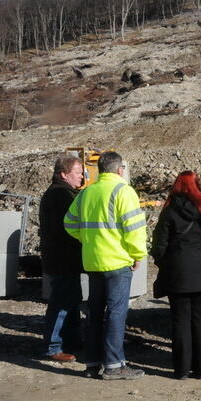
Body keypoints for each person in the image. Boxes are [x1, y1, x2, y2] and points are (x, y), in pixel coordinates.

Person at [64, 151, 147, 380]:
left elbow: (69, 223)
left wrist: (88, 239)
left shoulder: (86, 193)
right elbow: (134, 228)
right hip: (117, 262)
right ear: (120, 169)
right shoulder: (124, 191)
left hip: (93, 261)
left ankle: (92, 364)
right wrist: (137, 254)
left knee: (94, 313)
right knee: (116, 313)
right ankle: (113, 365)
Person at [151, 172, 201, 380]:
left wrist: (163, 262)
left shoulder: (170, 211)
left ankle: (181, 369)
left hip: (178, 271)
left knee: (180, 320)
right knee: (200, 319)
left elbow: (159, 244)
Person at [40, 155, 85, 362]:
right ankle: (53, 346)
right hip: (62, 259)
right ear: (63, 174)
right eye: (77, 172)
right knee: (60, 303)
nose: (82, 177)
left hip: (64, 258)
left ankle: (70, 339)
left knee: (71, 299)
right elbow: (67, 230)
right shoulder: (61, 196)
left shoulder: (62, 193)